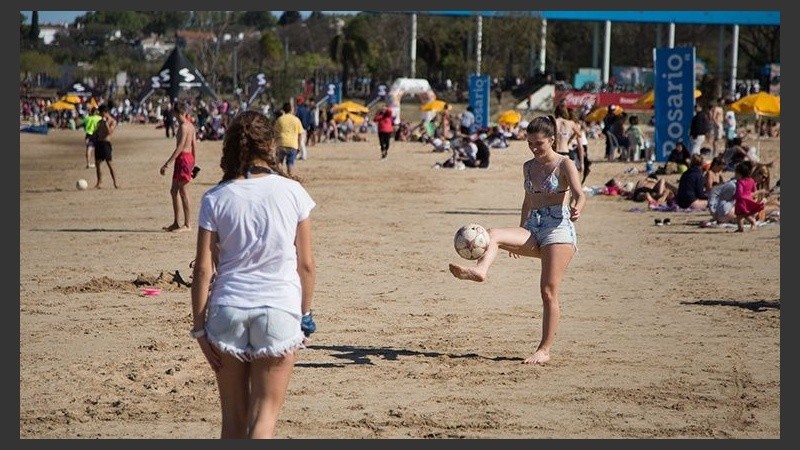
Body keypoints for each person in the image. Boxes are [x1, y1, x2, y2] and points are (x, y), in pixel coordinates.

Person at [190, 110, 317, 439]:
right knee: (264, 419)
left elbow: (204, 268)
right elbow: (306, 264)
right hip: (279, 308)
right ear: (271, 145)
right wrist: (305, 315)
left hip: (227, 309)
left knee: (232, 421)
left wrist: (200, 330)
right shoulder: (293, 192)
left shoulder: (215, 197)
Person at [448, 115, 586, 366]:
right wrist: (521, 231)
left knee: (548, 291)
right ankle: (480, 271)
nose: (534, 148)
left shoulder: (565, 164)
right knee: (494, 234)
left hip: (559, 229)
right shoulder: (528, 166)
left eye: (539, 143)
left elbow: (579, 194)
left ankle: (544, 349)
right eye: (530, 143)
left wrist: (578, 207)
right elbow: (527, 201)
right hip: (534, 226)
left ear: (552, 140)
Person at [159, 102, 197, 232]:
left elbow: (180, 146)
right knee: (174, 191)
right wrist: (194, 163)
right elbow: (194, 145)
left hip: (183, 159)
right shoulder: (191, 126)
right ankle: (176, 222)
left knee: (184, 192)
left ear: (175, 113)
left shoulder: (183, 127)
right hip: (187, 159)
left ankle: (187, 224)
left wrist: (167, 163)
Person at [733, 160, 765, 232]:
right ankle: (740, 228)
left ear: (740, 174)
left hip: (741, 200)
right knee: (741, 215)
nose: (735, 175)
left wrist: (734, 196)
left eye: (736, 173)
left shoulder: (740, 182)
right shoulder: (751, 180)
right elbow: (754, 189)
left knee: (743, 215)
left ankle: (752, 222)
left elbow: (739, 192)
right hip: (748, 199)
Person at [93, 103, 119, 189]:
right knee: (98, 164)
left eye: (100, 113)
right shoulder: (100, 121)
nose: (100, 114)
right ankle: (99, 182)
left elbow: (109, 132)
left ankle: (115, 182)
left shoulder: (112, 121)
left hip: (106, 144)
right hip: (99, 143)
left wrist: (105, 123)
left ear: (105, 112)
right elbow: (96, 132)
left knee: (110, 164)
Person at [273, 102, 303, 177]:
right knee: (290, 163)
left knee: (279, 162)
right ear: (291, 110)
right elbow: (300, 134)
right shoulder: (296, 120)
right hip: (292, 144)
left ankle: (281, 175)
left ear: (283, 110)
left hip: (281, 143)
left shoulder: (280, 119)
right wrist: (299, 146)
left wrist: (275, 144)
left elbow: (275, 133)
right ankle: (291, 176)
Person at [553, 103, 583, 175]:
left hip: (555, 152)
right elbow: (579, 134)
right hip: (565, 151)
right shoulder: (571, 123)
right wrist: (570, 138)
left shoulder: (553, 122)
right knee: (566, 177)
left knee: (555, 177)